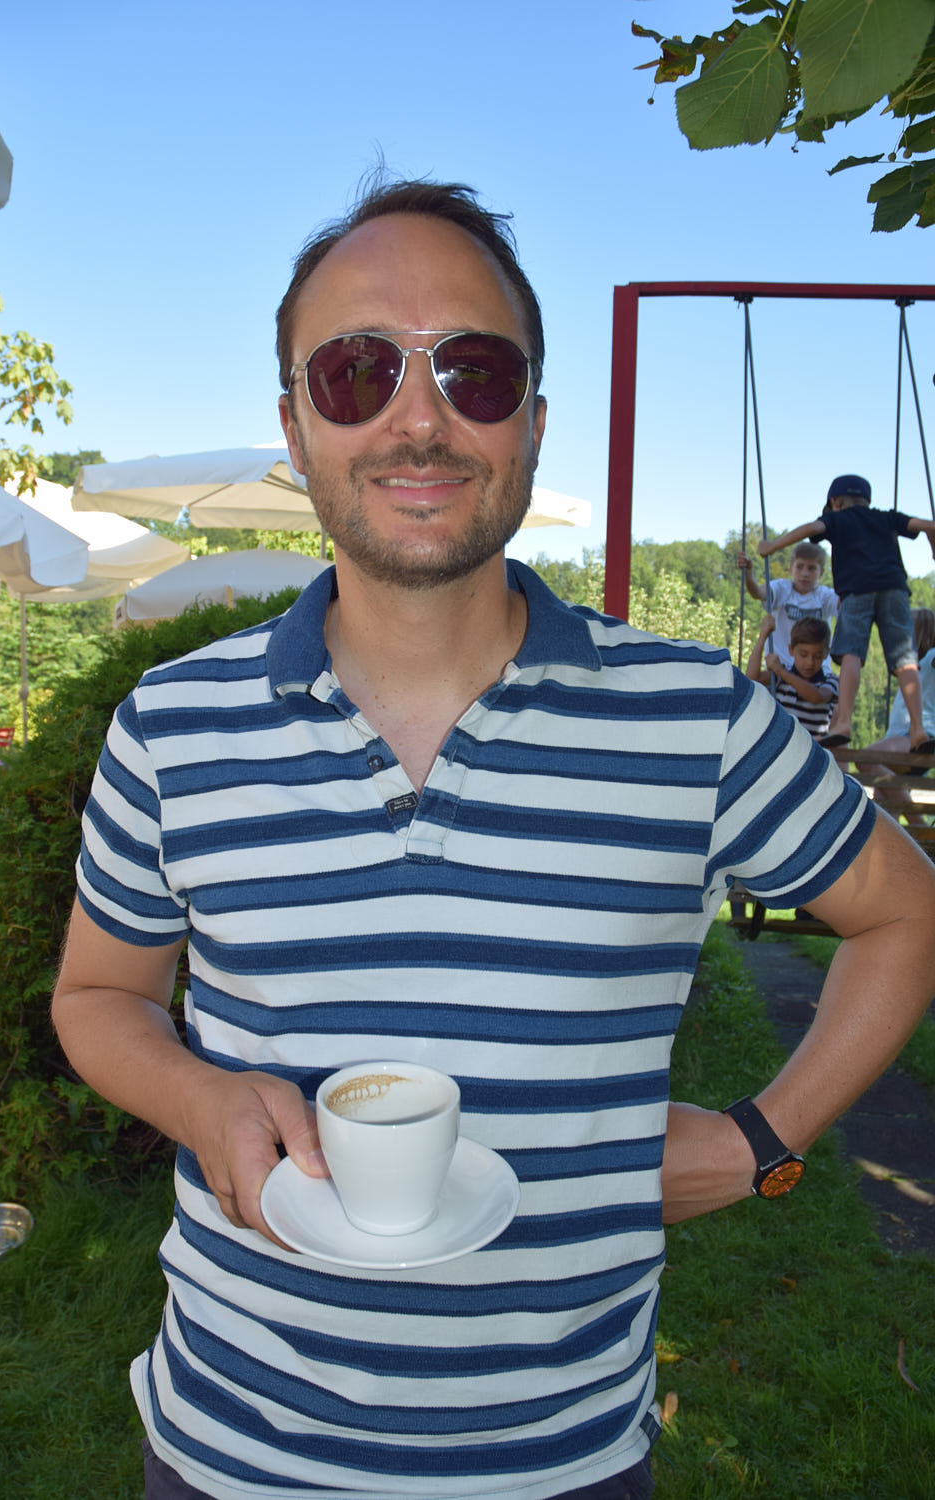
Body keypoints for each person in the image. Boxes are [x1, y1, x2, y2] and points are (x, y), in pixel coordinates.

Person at [51, 179, 935, 1500]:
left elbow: (905, 910)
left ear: (531, 418)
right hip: (231, 1449)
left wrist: (766, 1139)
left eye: (475, 370)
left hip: (565, 1460)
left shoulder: (694, 717)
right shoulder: (172, 726)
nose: (419, 418)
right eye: (357, 371)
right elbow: (98, 994)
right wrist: (201, 1096)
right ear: (295, 424)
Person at [758, 475, 935, 750]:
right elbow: (929, 525)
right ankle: (917, 728)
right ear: (866, 500)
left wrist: (772, 546)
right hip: (895, 588)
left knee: (852, 653)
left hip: (856, 590)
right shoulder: (886, 517)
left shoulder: (837, 519)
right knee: (906, 660)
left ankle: (843, 723)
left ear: (835, 502)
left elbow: (810, 528)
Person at [860, 607, 935, 826]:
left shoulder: (930, 658)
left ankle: (919, 824)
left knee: (866, 759)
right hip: (901, 738)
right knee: (884, 809)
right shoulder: (910, 667)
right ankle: (911, 839)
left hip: (917, 737)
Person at [737, 539, 838, 667]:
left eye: (811, 568)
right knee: (756, 676)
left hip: (815, 669)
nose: (805, 573)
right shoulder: (781, 589)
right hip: (781, 667)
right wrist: (748, 573)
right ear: (791, 568)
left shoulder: (824, 595)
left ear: (821, 573)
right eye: (799, 567)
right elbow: (758, 592)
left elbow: (844, 605)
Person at [745, 614, 839, 739]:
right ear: (791, 650)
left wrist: (781, 671)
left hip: (813, 747)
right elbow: (752, 678)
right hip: (783, 744)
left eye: (817, 656)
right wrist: (762, 637)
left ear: (826, 653)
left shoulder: (831, 681)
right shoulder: (780, 677)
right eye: (803, 655)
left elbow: (817, 697)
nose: (810, 662)